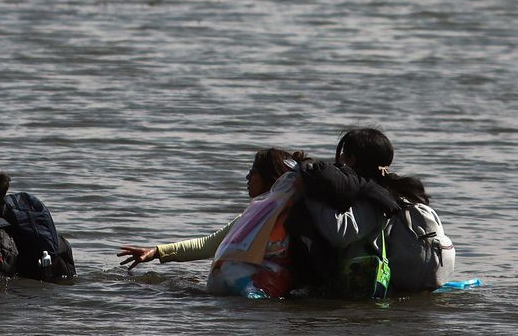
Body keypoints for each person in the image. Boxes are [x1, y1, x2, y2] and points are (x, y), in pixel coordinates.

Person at [118, 148, 310, 298]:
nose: (247, 177)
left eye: (252, 172)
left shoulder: (292, 219)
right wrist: (156, 252)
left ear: (270, 177)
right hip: (252, 297)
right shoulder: (252, 219)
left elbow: (209, 245)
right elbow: (209, 244)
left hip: (258, 297)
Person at [292, 128, 455, 295]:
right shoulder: (403, 192)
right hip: (417, 280)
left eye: (342, 155)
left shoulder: (376, 199)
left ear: (351, 160)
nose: (338, 160)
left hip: (384, 287)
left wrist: (310, 195)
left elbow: (340, 233)